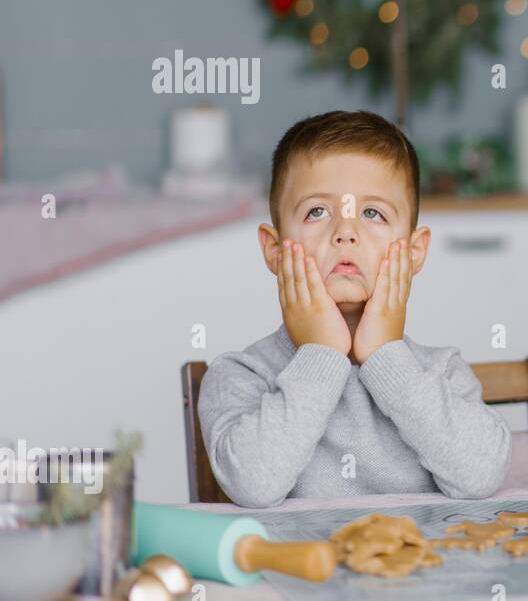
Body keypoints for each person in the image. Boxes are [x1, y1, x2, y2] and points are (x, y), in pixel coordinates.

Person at [198, 110, 511, 507]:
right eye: (317, 211)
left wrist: (386, 357)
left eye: (372, 213)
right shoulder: (242, 376)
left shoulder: (441, 372)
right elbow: (254, 484)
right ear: (274, 251)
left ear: (414, 252)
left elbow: (480, 475)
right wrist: (322, 353)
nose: (345, 232)